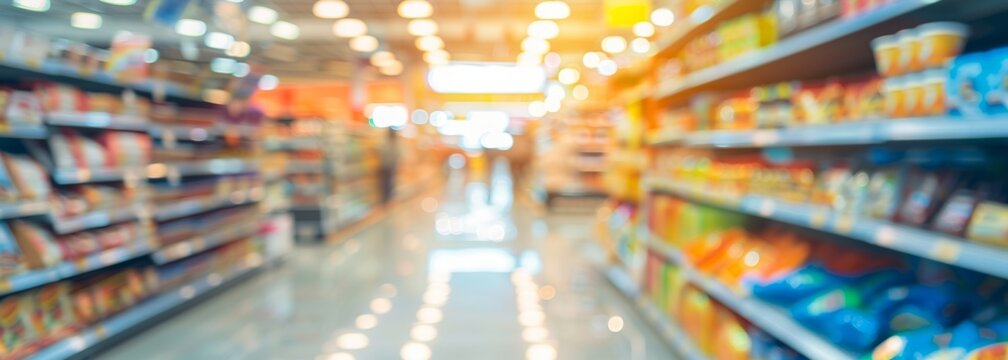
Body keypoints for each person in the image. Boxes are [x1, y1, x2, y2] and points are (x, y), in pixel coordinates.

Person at [379, 128, 399, 206]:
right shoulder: (393, 142)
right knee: (389, 183)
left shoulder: (386, 142)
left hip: (386, 165)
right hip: (389, 165)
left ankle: (387, 199)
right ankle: (387, 199)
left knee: (387, 183)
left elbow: (382, 152)